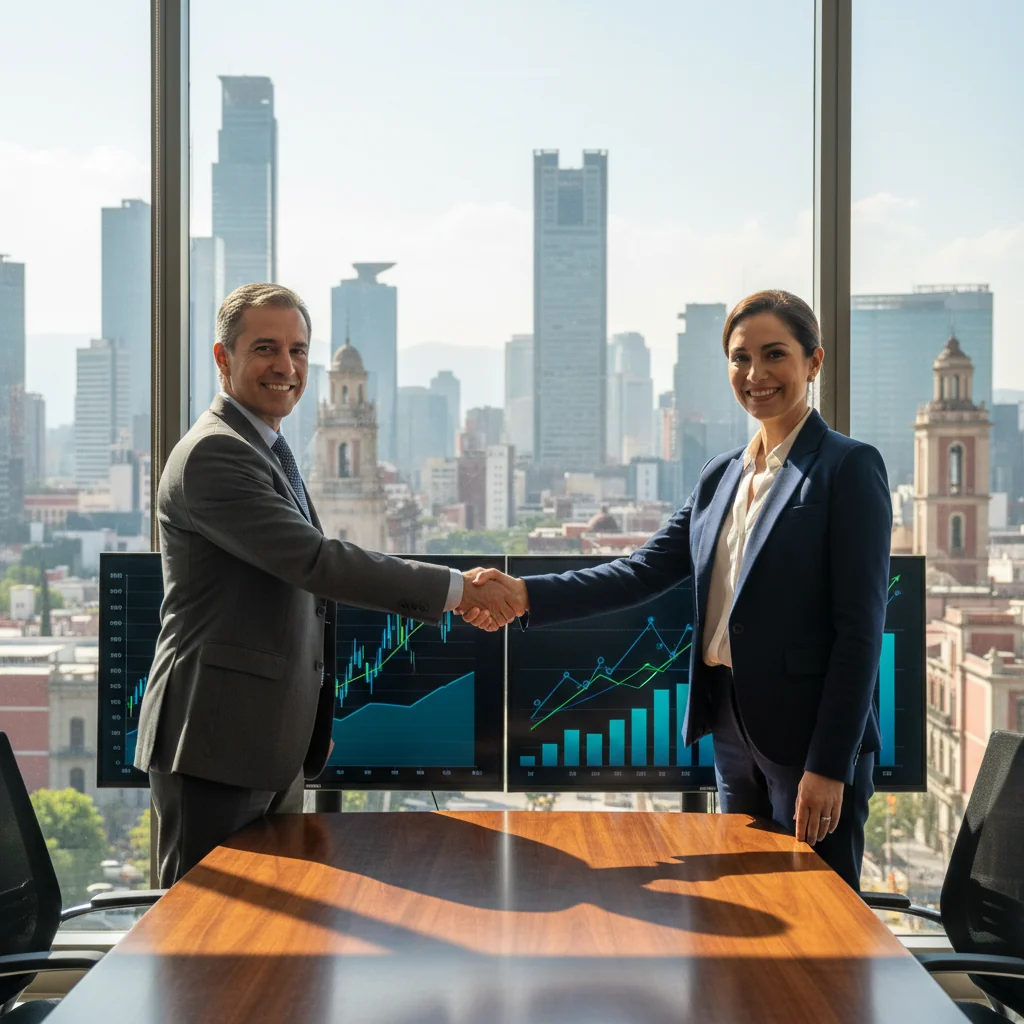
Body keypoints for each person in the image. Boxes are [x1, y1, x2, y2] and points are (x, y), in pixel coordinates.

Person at [466, 290, 891, 890]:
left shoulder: (847, 467)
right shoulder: (721, 474)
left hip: (806, 740)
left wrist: (829, 764)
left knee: (822, 923)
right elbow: (641, 570)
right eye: (740, 358)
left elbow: (860, 632)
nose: (756, 374)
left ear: (813, 362)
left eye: (775, 355)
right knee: (742, 896)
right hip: (732, 729)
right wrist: (524, 594)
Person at [134, 283, 514, 886]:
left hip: (265, 743)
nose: (286, 366)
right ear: (222, 357)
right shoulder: (215, 454)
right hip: (215, 743)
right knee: (205, 946)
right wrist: (458, 589)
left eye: (298, 351)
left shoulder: (266, 448)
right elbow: (315, 561)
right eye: (266, 348)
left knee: (269, 939)